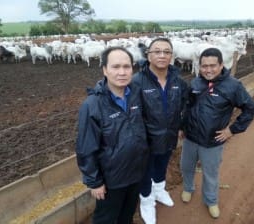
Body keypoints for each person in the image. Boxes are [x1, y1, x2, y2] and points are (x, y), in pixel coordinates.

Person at [180, 48, 254, 219]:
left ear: (222, 65)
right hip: (191, 138)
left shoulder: (233, 86)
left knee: (210, 173)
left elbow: (250, 108)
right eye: (204, 66)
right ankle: (188, 188)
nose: (208, 70)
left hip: (212, 141)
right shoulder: (195, 84)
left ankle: (211, 200)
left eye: (213, 65)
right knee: (186, 167)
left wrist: (232, 130)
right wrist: (183, 127)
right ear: (199, 67)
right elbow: (187, 106)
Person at [75, 47, 149, 224]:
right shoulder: (92, 105)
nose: (122, 72)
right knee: (106, 218)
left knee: (128, 214)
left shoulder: (136, 95)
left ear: (133, 69)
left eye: (127, 66)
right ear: (105, 70)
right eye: (116, 67)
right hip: (112, 180)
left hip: (136, 172)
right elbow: (86, 148)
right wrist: (94, 182)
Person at [133, 37, 188, 224]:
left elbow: (186, 103)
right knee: (145, 171)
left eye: (166, 51)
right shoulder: (137, 82)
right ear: (148, 55)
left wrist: (182, 125)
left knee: (162, 165)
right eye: (157, 51)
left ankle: (159, 190)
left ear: (172, 56)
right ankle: (147, 202)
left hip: (169, 135)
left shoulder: (177, 81)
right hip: (145, 140)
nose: (162, 55)